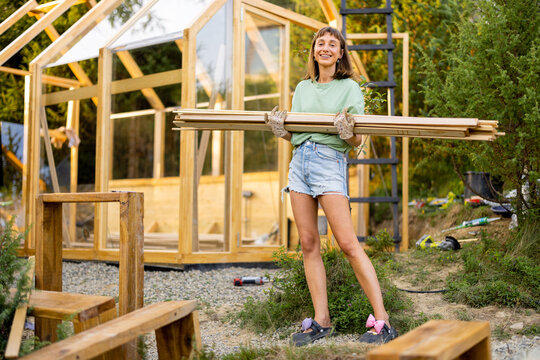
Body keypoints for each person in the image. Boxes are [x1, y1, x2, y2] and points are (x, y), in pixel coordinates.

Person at [265, 26, 398, 346]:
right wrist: (281, 131)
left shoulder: (350, 87)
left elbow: (357, 139)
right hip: (300, 165)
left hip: (329, 163)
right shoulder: (302, 88)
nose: (325, 48)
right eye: (320, 43)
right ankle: (322, 322)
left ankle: (383, 321)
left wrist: (346, 131)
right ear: (314, 51)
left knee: (348, 244)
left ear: (340, 54)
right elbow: (297, 134)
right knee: (308, 243)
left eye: (332, 44)